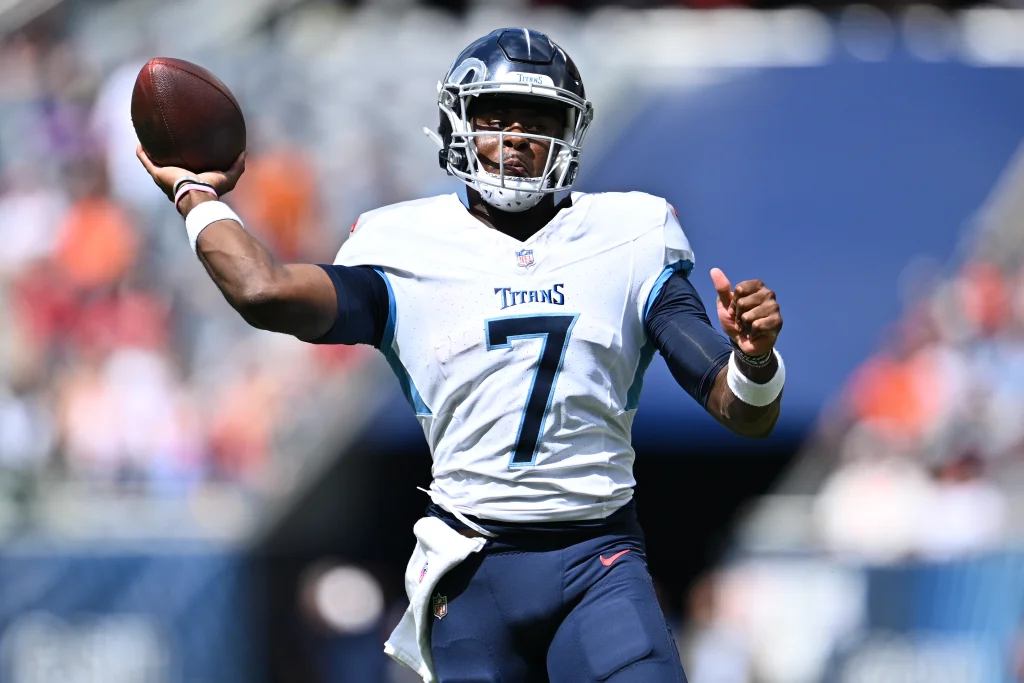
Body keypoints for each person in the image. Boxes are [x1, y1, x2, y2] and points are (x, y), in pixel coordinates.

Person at [137, 28, 784, 683]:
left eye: (539, 119)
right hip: (473, 573)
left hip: (599, 561)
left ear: (571, 133)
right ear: (457, 126)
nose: (515, 136)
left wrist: (755, 360)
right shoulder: (402, 243)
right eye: (495, 116)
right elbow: (263, 291)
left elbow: (741, 410)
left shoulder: (629, 232)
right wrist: (196, 193)